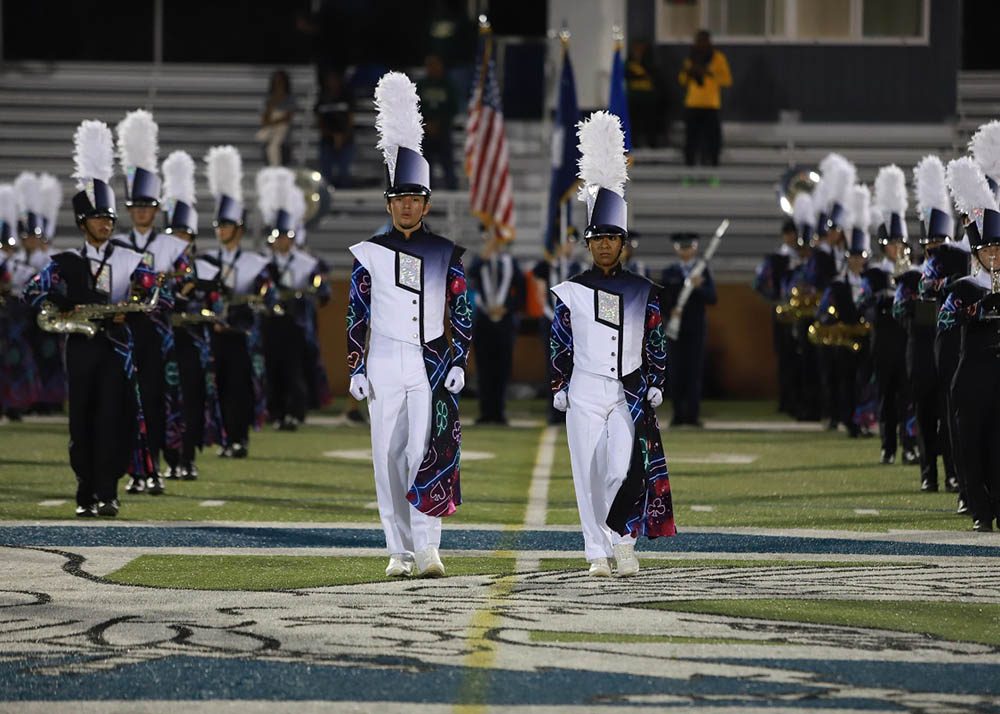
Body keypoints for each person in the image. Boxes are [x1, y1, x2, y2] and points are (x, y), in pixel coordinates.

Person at [347, 72, 471, 578]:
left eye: (414, 199)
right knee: (387, 457)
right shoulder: (368, 253)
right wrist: (355, 365)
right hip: (383, 359)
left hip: (431, 357)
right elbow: (356, 310)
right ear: (389, 202)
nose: (406, 205)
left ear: (426, 203)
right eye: (399, 199)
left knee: (428, 451)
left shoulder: (446, 252)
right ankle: (398, 552)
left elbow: (462, 308)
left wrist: (460, 357)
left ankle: (428, 550)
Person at [550, 110, 675, 577]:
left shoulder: (644, 289)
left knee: (623, 469)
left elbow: (656, 336)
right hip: (583, 388)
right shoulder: (571, 289)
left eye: (612, 238)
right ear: (588, 242)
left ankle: (624, 540)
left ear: (624, 243)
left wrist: (657, 379)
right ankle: (596, 553)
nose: (604, 245)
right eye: (598, 238)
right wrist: (559, 383)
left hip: (628, 389)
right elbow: (559, 337)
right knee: (585, 473)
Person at [22, 120, 157, 518]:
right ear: (83, 222)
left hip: (117, 348)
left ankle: (109, 491)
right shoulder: (65, 261)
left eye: (109, 217)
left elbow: (152, 293)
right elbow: (32, 292)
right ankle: (85, 491)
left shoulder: (132, 258)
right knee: (81, 421)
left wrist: (136, 299)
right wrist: (60, 305)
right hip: (80, 347)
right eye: (98, 217)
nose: (106, 223)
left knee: (114, 417)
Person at [113, 109, 189, 496]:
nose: (142, 212)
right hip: (122, 332)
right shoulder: (116, 245)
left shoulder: (172, 245)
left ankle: (155, 467)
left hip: (158, 335)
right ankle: (133, 469)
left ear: (157, 209)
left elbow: (186, 286)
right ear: (129, 210)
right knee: (126, 401)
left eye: (148, 206)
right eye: (136, 206)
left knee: (157, 401)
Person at [940, 155, 1000, 531]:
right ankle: (980, 509)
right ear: (976, 252)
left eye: (999, 248)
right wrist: (978, 309)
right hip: (973, 372)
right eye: (988, 249)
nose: (994, 254)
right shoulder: (964, 286)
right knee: (970, 442)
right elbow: (946, 320)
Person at [891, 161, 957, 493]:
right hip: (919, 353)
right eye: (931, 241)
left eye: (940, 240)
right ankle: (928, 472)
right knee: (925, 415)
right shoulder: (911, 276)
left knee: (950, 418)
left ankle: (953, 474)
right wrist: (918, 296)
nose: (935, 246)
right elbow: (898, 309)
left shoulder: (958, 274)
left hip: (947, 353)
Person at [160, 150, 227, 481]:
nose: (179, 241)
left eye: (183, 235)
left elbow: (219, 305)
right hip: (160, 343)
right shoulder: (154, 268)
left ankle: (185, 458)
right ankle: (162, 461)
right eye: (173, 235)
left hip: (192, 344)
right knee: (160, 403)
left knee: (190, 404)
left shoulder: (208, 267)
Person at [205, 145, 275, 459]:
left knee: (239, 389)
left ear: (239, 229)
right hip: (213, 333)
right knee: (217, 389)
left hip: (241, 335)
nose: (221, 231)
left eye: (226, 226)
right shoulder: (205, 261)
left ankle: (239, 439)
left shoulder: (254, 262)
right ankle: (222, 437)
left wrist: (257, 298)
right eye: (218, 226)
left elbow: (267, 293)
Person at [259, 166, 328, 430]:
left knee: (295, 368)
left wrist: (316, 291)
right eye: (278, 236)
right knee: (272, 368)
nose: (282, 242)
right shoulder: (264, 262)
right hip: (270, 322)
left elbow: (321, 288)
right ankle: (275, 411)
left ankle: (295, 412)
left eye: (287, 236)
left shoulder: (306, 262)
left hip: (296, 322)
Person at [860, 194, 918, 466]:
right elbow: (864, 303)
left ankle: (909, 446)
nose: (898, 249)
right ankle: (888, 447)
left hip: (907, 341)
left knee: (908, 397)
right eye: (893, 244)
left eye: (901, 244)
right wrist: (884, 297)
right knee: (885, 396)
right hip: (883, 341)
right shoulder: (873, 274)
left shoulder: (913, 272)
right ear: (884, 247)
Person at [468, 227, 525, 425]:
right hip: (483, 320)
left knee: (502, 368)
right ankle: (485, 412)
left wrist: (507, 308)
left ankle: (499, 412)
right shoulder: (479, 260)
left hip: (505, 322)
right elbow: (470, 274)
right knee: (484, 369)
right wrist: (485, 254)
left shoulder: (510, 262)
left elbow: (522, 292)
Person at [660, 232, 716, 427]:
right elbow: (661, 299)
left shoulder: (702, 271)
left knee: (694, 371)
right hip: (675, 328)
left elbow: (713, 298)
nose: (686, 251)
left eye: (689, 246)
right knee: (675, 371)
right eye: (682, 247)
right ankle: (678, 415)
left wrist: (699, 286)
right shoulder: (670, 273)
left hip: (696, 328)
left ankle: (692, 415)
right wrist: (670, 311)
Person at [0, 184, 41, 421]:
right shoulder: (14, 263)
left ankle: (15, 403)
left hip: (13, 316)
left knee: (14, 360)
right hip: (11, 316)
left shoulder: (18, 265)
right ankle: (13, 404)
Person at [533, 232, 582, 424]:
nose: (568, 246)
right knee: (552, 365)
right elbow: (539, 293)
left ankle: (572, 411)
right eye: (565, 241)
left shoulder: (578, 267)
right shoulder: (545, 266)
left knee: (573, 366)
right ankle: (554, 411)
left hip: (573, 324)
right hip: (550, 319)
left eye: (571, 242)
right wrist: (554, 316)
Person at [753, 218, 798, 414]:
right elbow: (760, 283)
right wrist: (775, 298)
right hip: (782, 311)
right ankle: (786, 400)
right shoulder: (777, 258)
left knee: (800, 359)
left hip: (801, 313)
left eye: (793, 233)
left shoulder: (806, 256)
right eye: (788, 233)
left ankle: (801, 400)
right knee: (785, 357)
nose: (791, 237)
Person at [678, 29, 731, 170]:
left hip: (710, 105)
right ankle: (689, 172)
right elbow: (682, 80)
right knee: (691, 141)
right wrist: (690, 73)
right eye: (698, 41)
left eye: (703, 40)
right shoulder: (691, 59)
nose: (700, 43)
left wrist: (709, 73)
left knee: (712, 141)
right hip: (693, 104)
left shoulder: (718, 58)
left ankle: (713, 170)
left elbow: (727, 80)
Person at [416, 54, 459, 190]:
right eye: (429, 65)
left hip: (443, 133)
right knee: (424, 168)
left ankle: (453, 197)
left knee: (448, 167)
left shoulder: (449, 85)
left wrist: (439, 124)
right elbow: (414, 107)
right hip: (424, 133)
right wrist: (426, 124)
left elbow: (453, 108)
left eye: (435, 64)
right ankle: (426, 198)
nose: (432, 68)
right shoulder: (421, 85)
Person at [314, 67, 354, 188]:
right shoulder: (322, 98)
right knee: (326, 171)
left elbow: (351, 119)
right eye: (329, 80)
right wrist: (332, 136)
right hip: (327, 138)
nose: (332, 82)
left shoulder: (347, 97)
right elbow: (319, 121)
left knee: (344, 172)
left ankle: (344, 193)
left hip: (345, 138)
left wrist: (343, 136)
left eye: (334, 79)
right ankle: (326, 194)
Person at [625, 39, 663, 149]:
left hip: (648, 97)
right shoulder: (630, 62)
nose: (638, 51)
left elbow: (654, 76)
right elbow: (628, 75)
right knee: (634, 122)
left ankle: (652, 143)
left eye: (640, 48)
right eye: (636, 48)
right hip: (633, 97)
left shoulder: (650, 61)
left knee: (650, 122)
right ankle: (634, 143)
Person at [258, 70, 297, 167]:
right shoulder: (268, 98)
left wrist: (273, 121)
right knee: (269, 160)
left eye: (280, 81)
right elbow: (264, 119)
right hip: (269, 137)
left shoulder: (290, 98)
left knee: (283, 164)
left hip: (284, 140)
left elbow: (288, 117)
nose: (278, 84)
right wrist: (273, 101)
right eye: (276, 81)